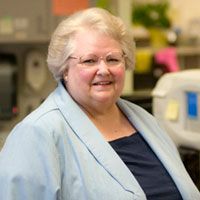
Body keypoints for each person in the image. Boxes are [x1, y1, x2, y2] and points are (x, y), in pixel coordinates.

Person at [0, 7, 199, 200]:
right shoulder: (36, 134)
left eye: (113, 59)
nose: (103, 70)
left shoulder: (146, 121)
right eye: (89, 61)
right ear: (65, 69)